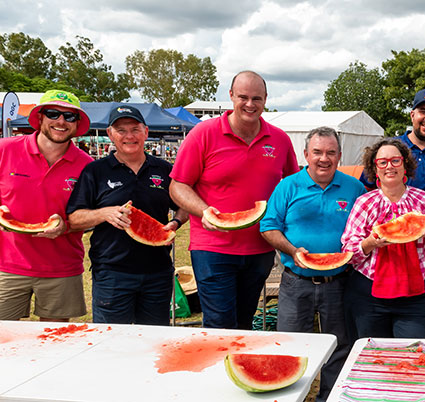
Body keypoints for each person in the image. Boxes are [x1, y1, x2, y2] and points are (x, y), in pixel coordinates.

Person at [170, 71, 299, 329]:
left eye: (257, 98)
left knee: (244, 322)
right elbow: (178, 185)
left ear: (265, 100)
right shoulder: (203, 134)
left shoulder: (280, 140)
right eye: (243, 97)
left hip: (260, 249)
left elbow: (293, 188)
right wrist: (204, 211)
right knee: (220, 324)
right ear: (231, 96)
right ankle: (218, 368)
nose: (250, 104)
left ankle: (237, 368)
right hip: (212, 248)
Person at [259, 126, 365, 402]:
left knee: (339, 348)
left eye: (331, 152)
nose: (324, 158)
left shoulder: (354, 187)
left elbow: (367, 227)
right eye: (317, 152)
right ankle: (289, 396)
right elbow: (268, 226)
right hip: (296, 281)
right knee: (291, 347)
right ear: (306, 154)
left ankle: (329, 398)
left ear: (339, 155)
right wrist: (292, 250)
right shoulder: (288, 186)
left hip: (340, 282)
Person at [358, 87, 425, 339]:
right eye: (423, 111)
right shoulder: (390, 149)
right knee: (385, 314)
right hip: (387, 252)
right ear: (412, 114)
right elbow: (366, 190)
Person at [66, 105, 189, 325]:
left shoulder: (163, 170)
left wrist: (176, 222)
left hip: (157, 272)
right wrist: (104, 213)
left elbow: (185, 204)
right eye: (121, 130)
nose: (129, 136)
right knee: (112, 342)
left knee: (154, 340)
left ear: (146, 132)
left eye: (135, 129)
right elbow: (74, 219)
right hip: (112, 274)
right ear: (110, 135)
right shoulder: (95, 171)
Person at [341, 139, 425, 339]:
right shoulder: (364, 202)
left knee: (412, 354)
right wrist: (370, 243)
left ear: (405, 165)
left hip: (415, 293)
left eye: (395, 161)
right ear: (375, 169)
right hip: (368, 294)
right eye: (382, 162)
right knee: (373, 358)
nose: (389, 166)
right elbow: (348, 253)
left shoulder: (423, 200)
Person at [0, 90, 94, 321]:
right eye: (53, 114)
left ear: (77, 124)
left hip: (61, 268)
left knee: (55, 342)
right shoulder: (5, 149)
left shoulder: (88, 165)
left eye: (69, 116)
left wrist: (67, 226)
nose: (61, 121)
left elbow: (92, 216)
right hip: (7, 266)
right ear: (40, 117)